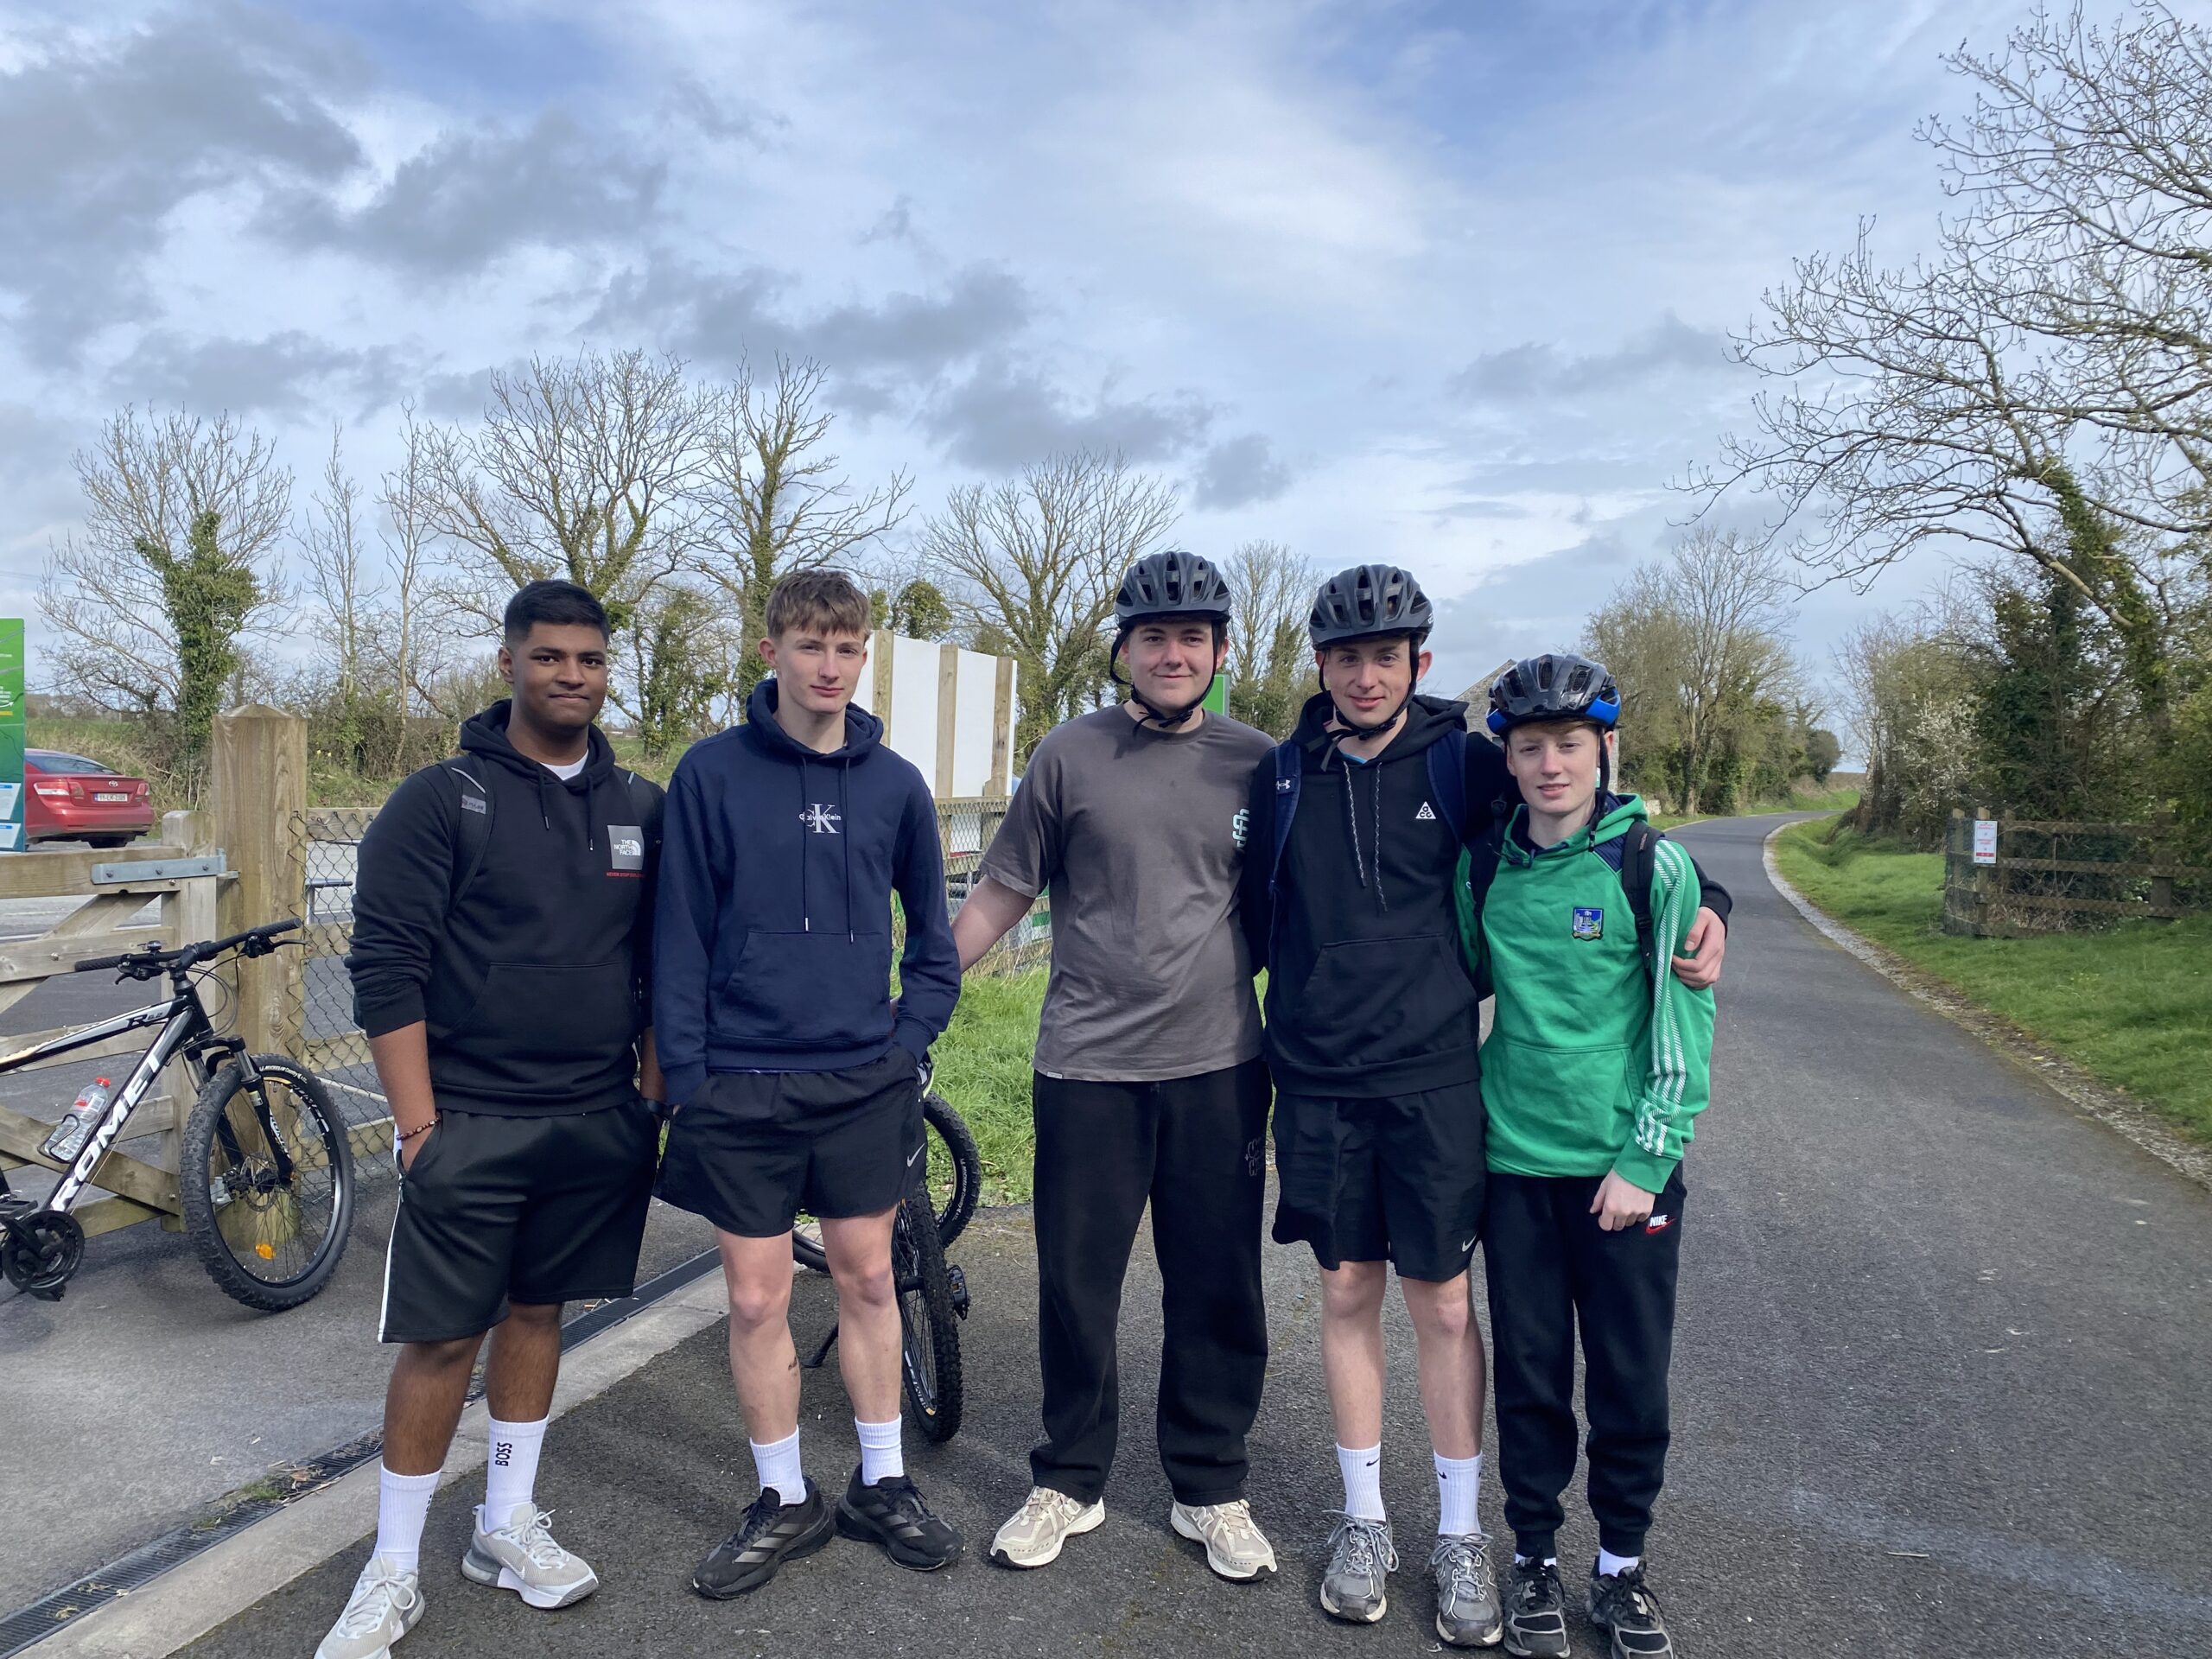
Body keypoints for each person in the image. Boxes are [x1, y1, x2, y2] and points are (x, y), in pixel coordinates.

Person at [1237, 568, 1730, 1645]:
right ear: (1319, 666)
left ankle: (1464, 1535)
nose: (1366, 675)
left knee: (1449, 1309)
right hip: (1320, 1082)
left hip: (1435, 1086)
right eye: (1345, 657)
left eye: (1387, 655)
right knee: (1347, 1291)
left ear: (1418, 662)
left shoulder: (1464, 760)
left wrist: (1712, 906)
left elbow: (1590, 835)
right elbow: (1244, 909)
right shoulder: (1281, 774)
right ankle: (1366, 1521)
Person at [324, 580, 665, 1659]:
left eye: (590, 659)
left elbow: (664, 963)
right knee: (441, 1340)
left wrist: (649, 1099)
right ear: (509, 662)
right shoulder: (441, 800)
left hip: (595, 1118)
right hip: (467, 1118)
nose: (571, 675)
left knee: (538, 1314)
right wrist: (417, 1124)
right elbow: (386, 964)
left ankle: (504, 1524)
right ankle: (392, 1569)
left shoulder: (642, 808)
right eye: (549, 656)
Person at [951, 549, 1281, 1584]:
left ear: (1218, 652)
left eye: (1192, 638)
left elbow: (1309, 899)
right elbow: (1005, 888)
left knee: (1216, 1282)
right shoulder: (1067, 755)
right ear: (1123, 650)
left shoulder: (1261, 764)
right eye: (1154, 637)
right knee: (1076, 1282)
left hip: (1219, 1066)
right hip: (1087, 1067)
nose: (1173, 654)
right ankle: (1069, 1477)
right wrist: (925, 989)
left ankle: (1209, 1485)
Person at [653, 569, 963, 1597]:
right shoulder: (710, 774)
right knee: (756, 1297)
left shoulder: (896, 786)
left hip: (860, 1081)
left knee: (869, 1280)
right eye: (809, 645)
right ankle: (784, 1498)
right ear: (771, 651)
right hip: (739, 1082)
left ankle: (883, 1483)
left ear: (863, 655)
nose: (829, 666)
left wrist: (905, 1043)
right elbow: (678, 936)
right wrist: (688, 1077)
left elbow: (933, 940)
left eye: (846, 647)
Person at [1472, 655, 1714, 1659]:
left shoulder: (1650, 867)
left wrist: (1644, 1162)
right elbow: (1451, 978)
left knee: (1627, 1379)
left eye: (1569, 743)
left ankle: (1620, 1568)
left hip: (1621, 1174)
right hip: (1513, 1170)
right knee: (1529, 1378)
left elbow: (1681, 1029)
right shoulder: (1485, 867)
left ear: (1605, 746)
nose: (1550, 764)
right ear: (1508, 759)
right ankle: (1531, 1555)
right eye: (1530, 746)